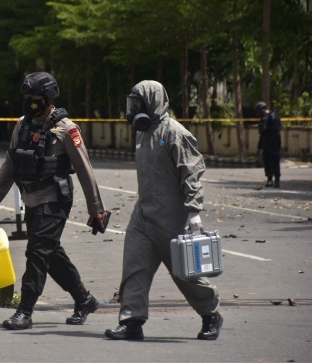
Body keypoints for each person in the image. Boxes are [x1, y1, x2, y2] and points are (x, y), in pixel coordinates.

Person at [0, 72, 108, 330]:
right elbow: (11, 162)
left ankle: (25, 310)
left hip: (55, 198)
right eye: (27, 97)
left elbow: (85, 169)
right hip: (31, 198)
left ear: (48, 98)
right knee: (49, 253)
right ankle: (84, 300)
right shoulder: (22, 124)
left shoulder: (66, 129)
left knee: (37, 252)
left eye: (35, 98)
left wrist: (96, 208)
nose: (30, 102)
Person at [105, 80, 222, 341]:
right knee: (134, 267)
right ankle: (132, 322)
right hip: (144, 214)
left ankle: (211, 315)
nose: (133, 109)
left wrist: (194, 211)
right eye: (132, 103)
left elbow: (191, 173)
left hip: (173, 218)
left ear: (152, 102)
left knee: (185, 275)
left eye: (138, 104)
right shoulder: (142, 132)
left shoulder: (175, 133)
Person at [255, 102, 282, 187]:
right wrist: (259, 146)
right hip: (267, 143)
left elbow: (274, 130)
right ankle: (269, 179)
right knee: (267, 161)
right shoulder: (264, 119)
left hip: (274, 142)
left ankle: (277, 180)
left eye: (259, 111)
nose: (259, 114)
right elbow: (262, 134)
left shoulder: (273, 117)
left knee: (275, 160)